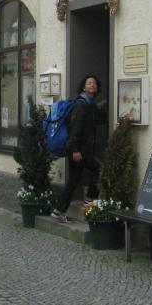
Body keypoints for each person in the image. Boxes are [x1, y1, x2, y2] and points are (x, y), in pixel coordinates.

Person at [51, 74, 103, 223]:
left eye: (94, 83)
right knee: (99, 170)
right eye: (89, 83)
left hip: (82, 150)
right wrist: (75, 150)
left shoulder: (90, 105)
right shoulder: (81, 105)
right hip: (79, 151)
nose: (93, 85)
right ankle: (89, 199)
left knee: (73, 180)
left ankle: (58, 210)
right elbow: (75, 129)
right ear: (83, 87)